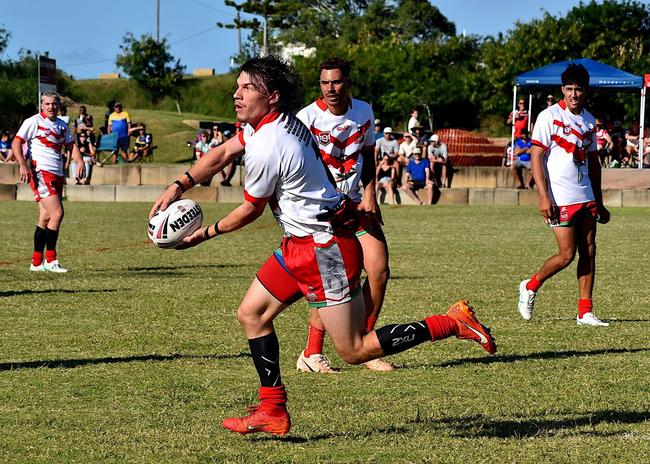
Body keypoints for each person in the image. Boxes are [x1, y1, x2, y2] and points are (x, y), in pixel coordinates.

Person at [149, 55, 496, 437]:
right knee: (252, 314)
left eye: (247, 88)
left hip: (324, 249)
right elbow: (223, 152)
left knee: (354, 350)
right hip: (301, 244)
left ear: (273, 96)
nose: (237, 94)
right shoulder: (275, 122)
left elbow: (250, 210)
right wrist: (179, 183)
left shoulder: (270, 142)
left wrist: (205, 233)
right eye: (238, 86)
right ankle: (272, 410)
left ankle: (451, 322)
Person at [296, 56, 393, 372]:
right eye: (325, 83)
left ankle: (366, 344)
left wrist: (370, 194)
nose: (330, 88)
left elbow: (367, 153)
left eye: (336, 82)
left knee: (378, 270)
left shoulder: (363, 110)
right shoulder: (306, 118)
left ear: (347, 82)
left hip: (357, 204)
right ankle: (312, 354)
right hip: (324, 211)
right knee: (333, 282)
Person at [518, 63, 610, 327]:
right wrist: (543, 196)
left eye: (578, 89)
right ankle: (530, 286)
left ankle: (585, 311)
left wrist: (600, 201)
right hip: (559, 197)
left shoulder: (589, 121)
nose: (574, 94)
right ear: (562, 90)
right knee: (566, 255)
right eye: (569, 89)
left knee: (589, 251)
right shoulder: (548, 116)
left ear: (585, 91)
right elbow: (537, 156)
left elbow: (593, 164)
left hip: (586, 194)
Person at [13, 91, 85, 273]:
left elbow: (71, 145)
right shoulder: (33, 121)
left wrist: (80, 161)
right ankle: (51, 260)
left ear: (58, 106)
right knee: (57, 213)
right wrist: (22, 164)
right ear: (41, 105)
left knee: (45, 217)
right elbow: (16, 142)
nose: (51, 107)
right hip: (41, 173)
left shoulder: (61, 125)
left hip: (57, 173)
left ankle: (36, 262)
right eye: (47, 104)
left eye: (54, 104)